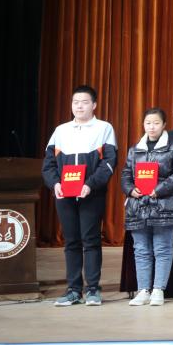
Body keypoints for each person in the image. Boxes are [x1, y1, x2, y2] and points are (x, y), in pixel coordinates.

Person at [42, 85, 117, 306]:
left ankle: (93, 289)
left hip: (91, 194)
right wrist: (55, 183)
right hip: (64, 194)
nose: (79, 106)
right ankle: (73, 290)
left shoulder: (104, 128)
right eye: (75, 102)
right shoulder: (61, 130)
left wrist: (90, 184)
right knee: (71, 241)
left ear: (94, 105)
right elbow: (48, 164)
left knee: (91, 240)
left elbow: (109, 162)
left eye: (84, 102)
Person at [120, 107, 173, 306]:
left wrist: (159, 189)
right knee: (141, 249)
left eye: (156, 123)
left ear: (164, 125)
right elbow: (126, 173)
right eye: (148, 123)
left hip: (164, 204)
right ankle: (143, 290)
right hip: (138, 204)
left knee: (162, 248)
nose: (152, 127)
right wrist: (130, 189)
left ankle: (158, 289)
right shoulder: (135, 149)